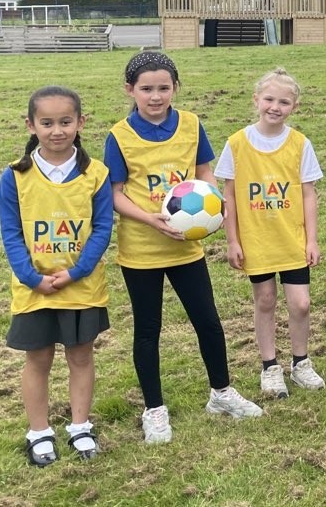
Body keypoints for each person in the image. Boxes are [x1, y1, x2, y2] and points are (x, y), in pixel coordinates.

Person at [104, 52, 261, 444]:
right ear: (130, 90)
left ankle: (221, 393)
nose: (155, 97)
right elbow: (115, 194)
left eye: (163, 88)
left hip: (186, 248)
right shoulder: (119, 135)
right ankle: (154, 409)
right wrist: (150, 218)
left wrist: (210, 209)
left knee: (207, 320)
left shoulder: (191, 124)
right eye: (146, 89)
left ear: (175, 87)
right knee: (148, 330)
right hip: (141, 248)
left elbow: (203, 172)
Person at [0, 86, 112, 466]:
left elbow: (102, 229)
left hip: (81, 287)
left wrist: (77, 271)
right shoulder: (14, 177)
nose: (57, 131)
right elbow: (11, 234)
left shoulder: (96, 174)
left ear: (80, 122)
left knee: (81, 356)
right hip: (36, 290)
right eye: (46, 123)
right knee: (38, 359)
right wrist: (33, 279)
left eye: (65, 121)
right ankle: (39, 431)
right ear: (31, 125)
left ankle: (80, 426)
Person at [216, 68, 325, 398]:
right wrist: (232, 240)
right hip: (256, 240)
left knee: (301, 304)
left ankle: (301, 363)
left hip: (290, 238)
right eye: (269, 99)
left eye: (284, 101)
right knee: (265, 300)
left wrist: (311, 239)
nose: (275, 107)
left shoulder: (299, 143)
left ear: (295, 106)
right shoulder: (236, 143)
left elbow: (308, 194)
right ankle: (270, 367)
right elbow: (229, 196)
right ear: (256, 100)